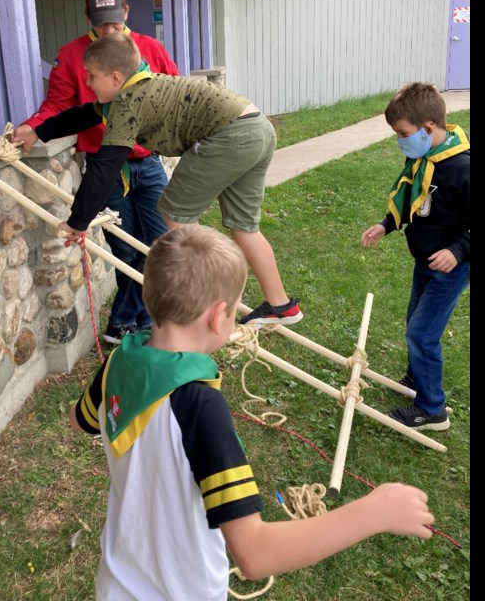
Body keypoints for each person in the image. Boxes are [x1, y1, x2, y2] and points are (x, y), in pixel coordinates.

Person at [69, 224, 433, 600]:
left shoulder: (119, 362)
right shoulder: (200, 408)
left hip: (116, 585)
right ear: (218, 316)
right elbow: (254, 554)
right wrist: (374, 512)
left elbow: (81, 419)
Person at [18, 33, 302, 327]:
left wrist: (77, 221)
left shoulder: (129, 103)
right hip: (256, 129)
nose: (87, 83)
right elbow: (81, 116)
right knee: (244, 226)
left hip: (227, 137)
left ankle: (205, 303)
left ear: (116, 77)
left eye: (92, 76)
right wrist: (37, 131)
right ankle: (281, 305)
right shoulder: (139, 86)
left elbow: (104, 168)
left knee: (174, 214)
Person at [9, 0, 179, 345]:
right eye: (102, 24)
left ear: (126, 14)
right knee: (126, 250)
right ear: (90, 19)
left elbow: (171, 91)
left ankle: (128, 319)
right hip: (109, 170)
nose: (109, 30)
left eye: (115, 22)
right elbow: (58, 105)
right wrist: (32, 128)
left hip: (147, 164)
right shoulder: (72, 55)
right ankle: (134, 322)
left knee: (162, 243)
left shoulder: (150, 48)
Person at [360, 82, 470, 431]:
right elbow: (413, 199)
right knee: (414, 322)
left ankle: (431, 409)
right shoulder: (421, 158)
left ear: (428, 128)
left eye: (402, 133)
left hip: (450, 268)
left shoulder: (462, 168)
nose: (399, 141)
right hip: (425, 262)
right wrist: (386, 224)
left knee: (422, 334)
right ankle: (416, 377)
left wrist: (457, 251)